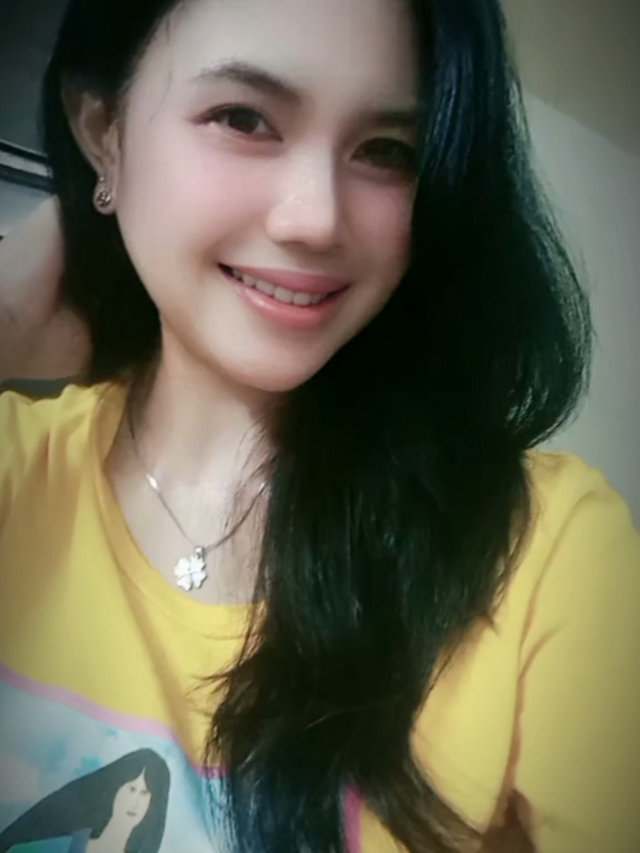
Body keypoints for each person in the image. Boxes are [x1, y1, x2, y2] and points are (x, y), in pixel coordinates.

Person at [0, 0, 639, 852]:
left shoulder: (546, 546)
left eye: (386, 151)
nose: (316, 218)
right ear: (102, 132)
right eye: (243, 118)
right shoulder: (16, 466)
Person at [0, 749, 170, 853]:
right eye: (132, 789)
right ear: (115, 789)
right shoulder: (56, 847)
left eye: (145, 793)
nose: (136, 802)